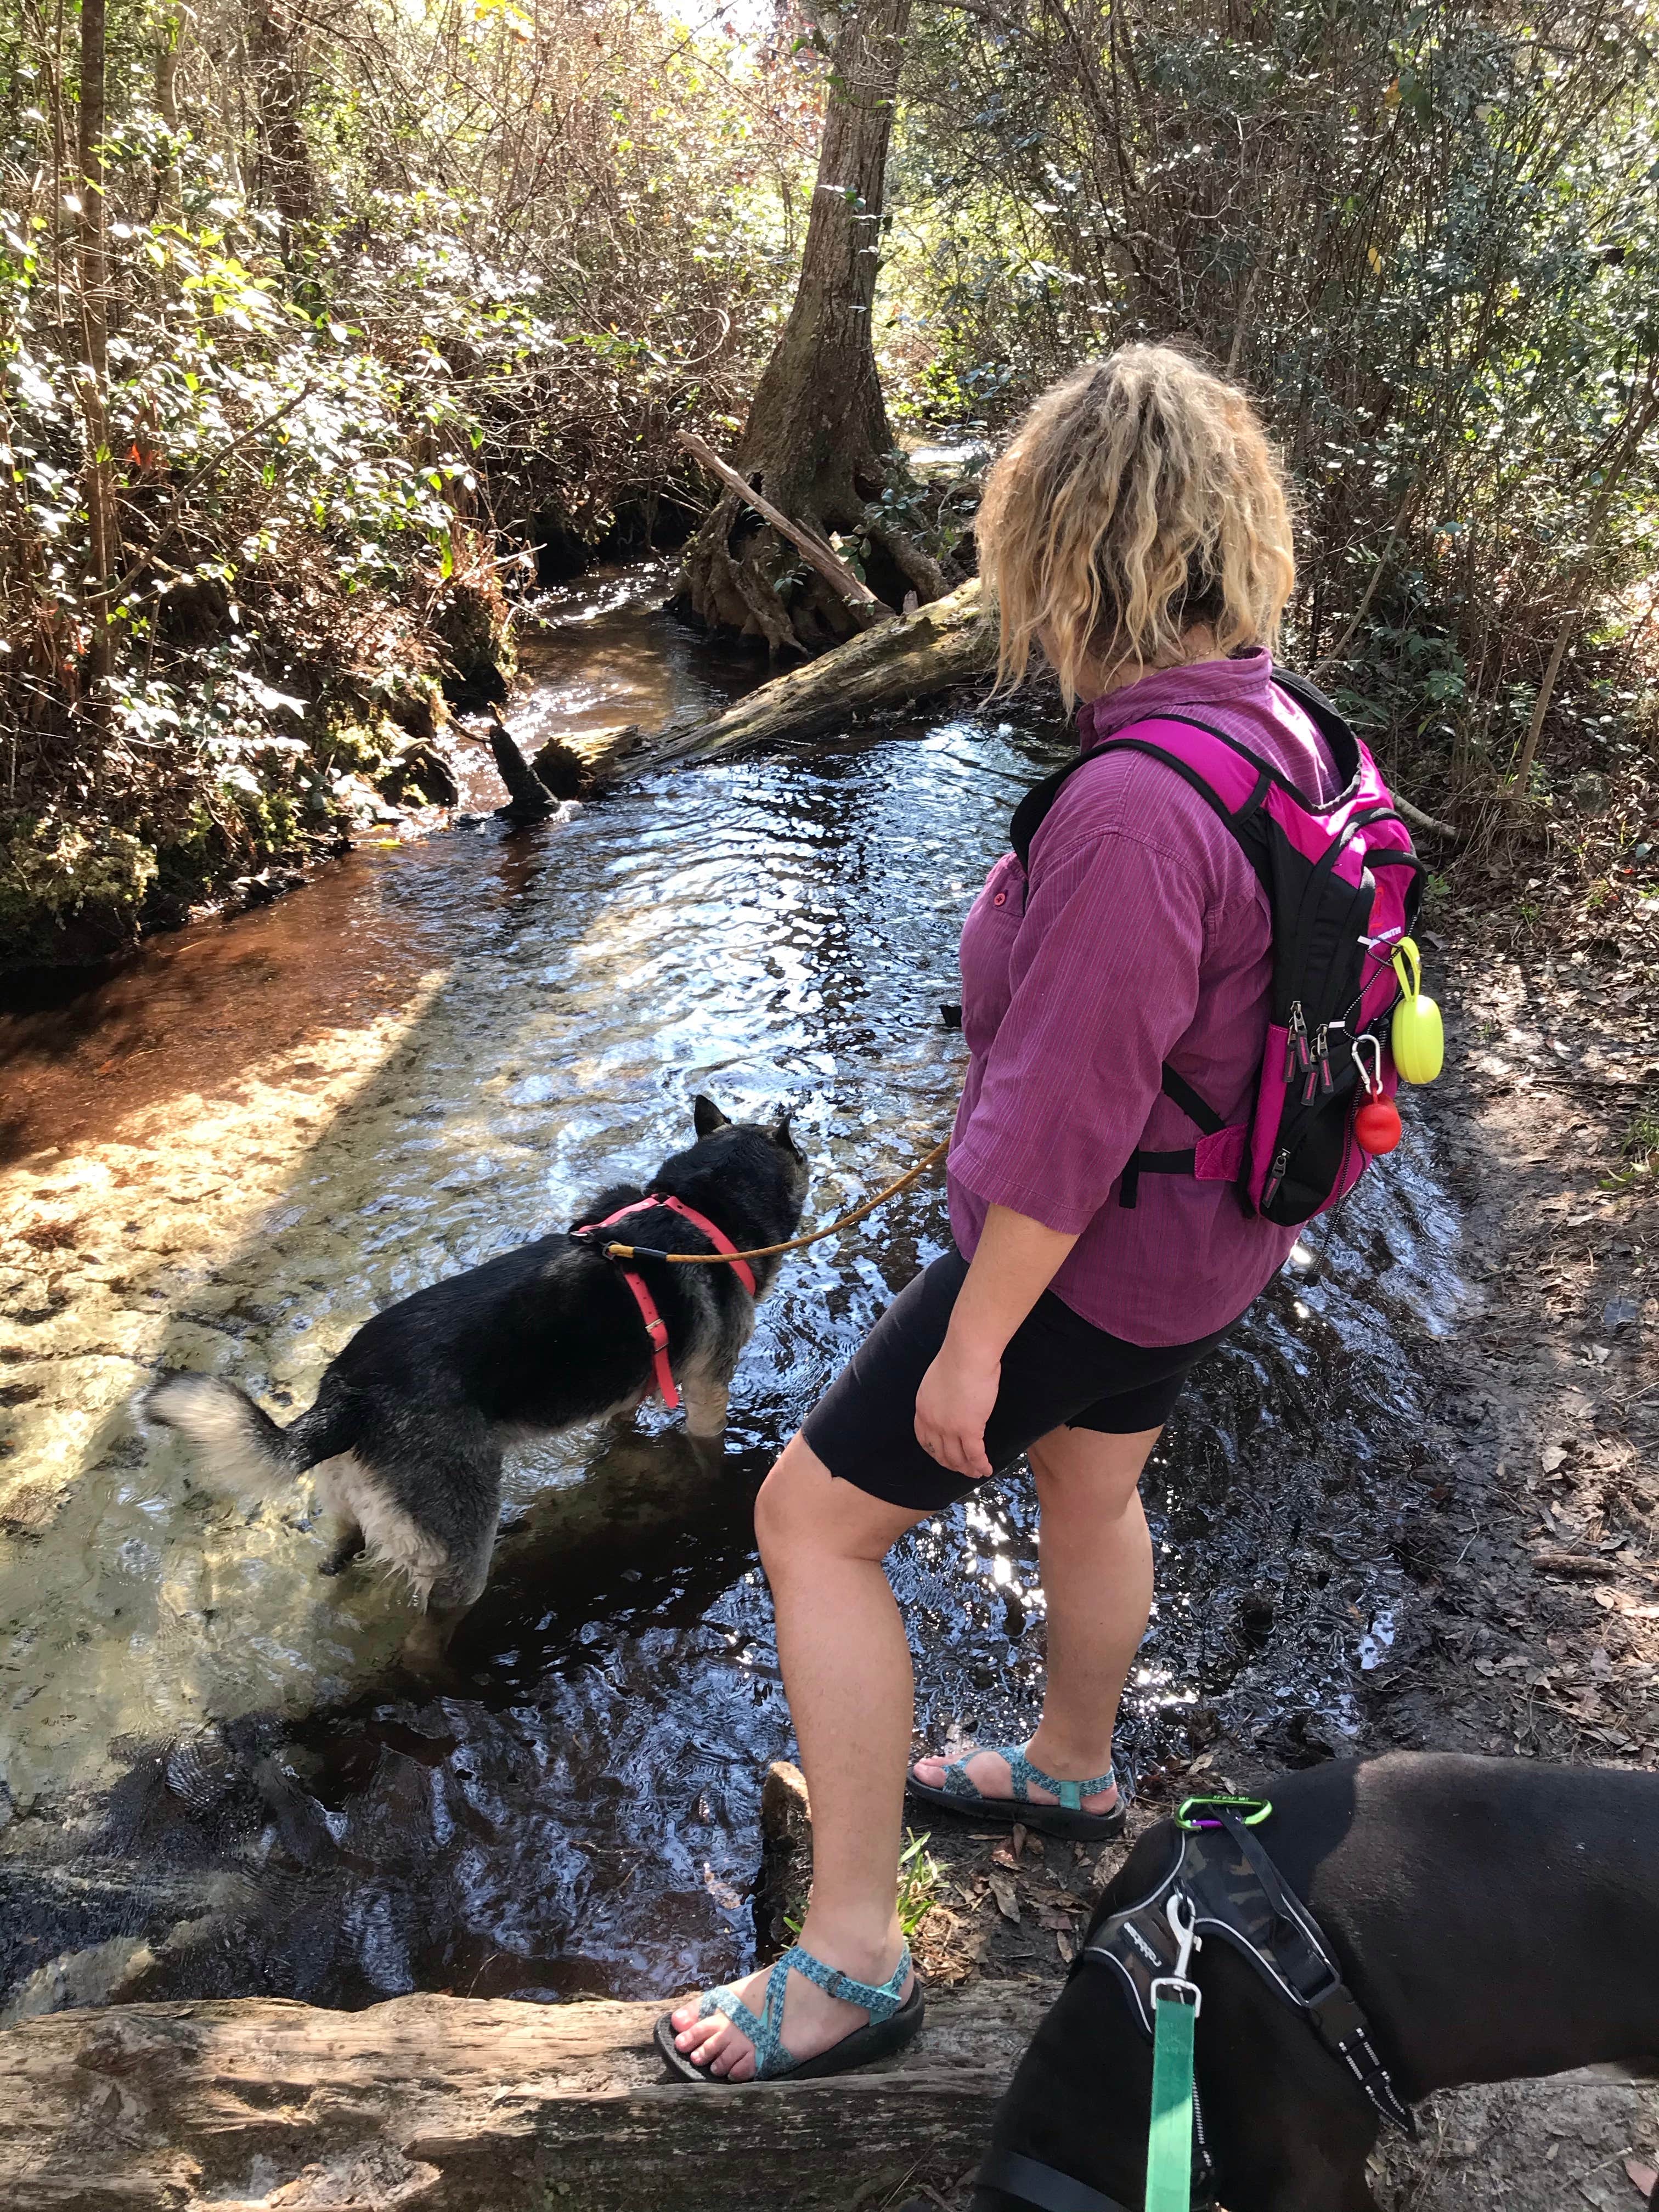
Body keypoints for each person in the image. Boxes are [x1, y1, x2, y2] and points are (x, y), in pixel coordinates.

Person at [658, 343, 1334, 2083]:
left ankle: (851, 1957)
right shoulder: (1280, 729)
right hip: (1214, 1243)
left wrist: (974, 1343)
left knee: (813, 1525)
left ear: (1066, 549)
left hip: (1088, 1261)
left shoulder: (1133, 808)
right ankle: (1073, 1768)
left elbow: (1066, 1127)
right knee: (1093, 1483)